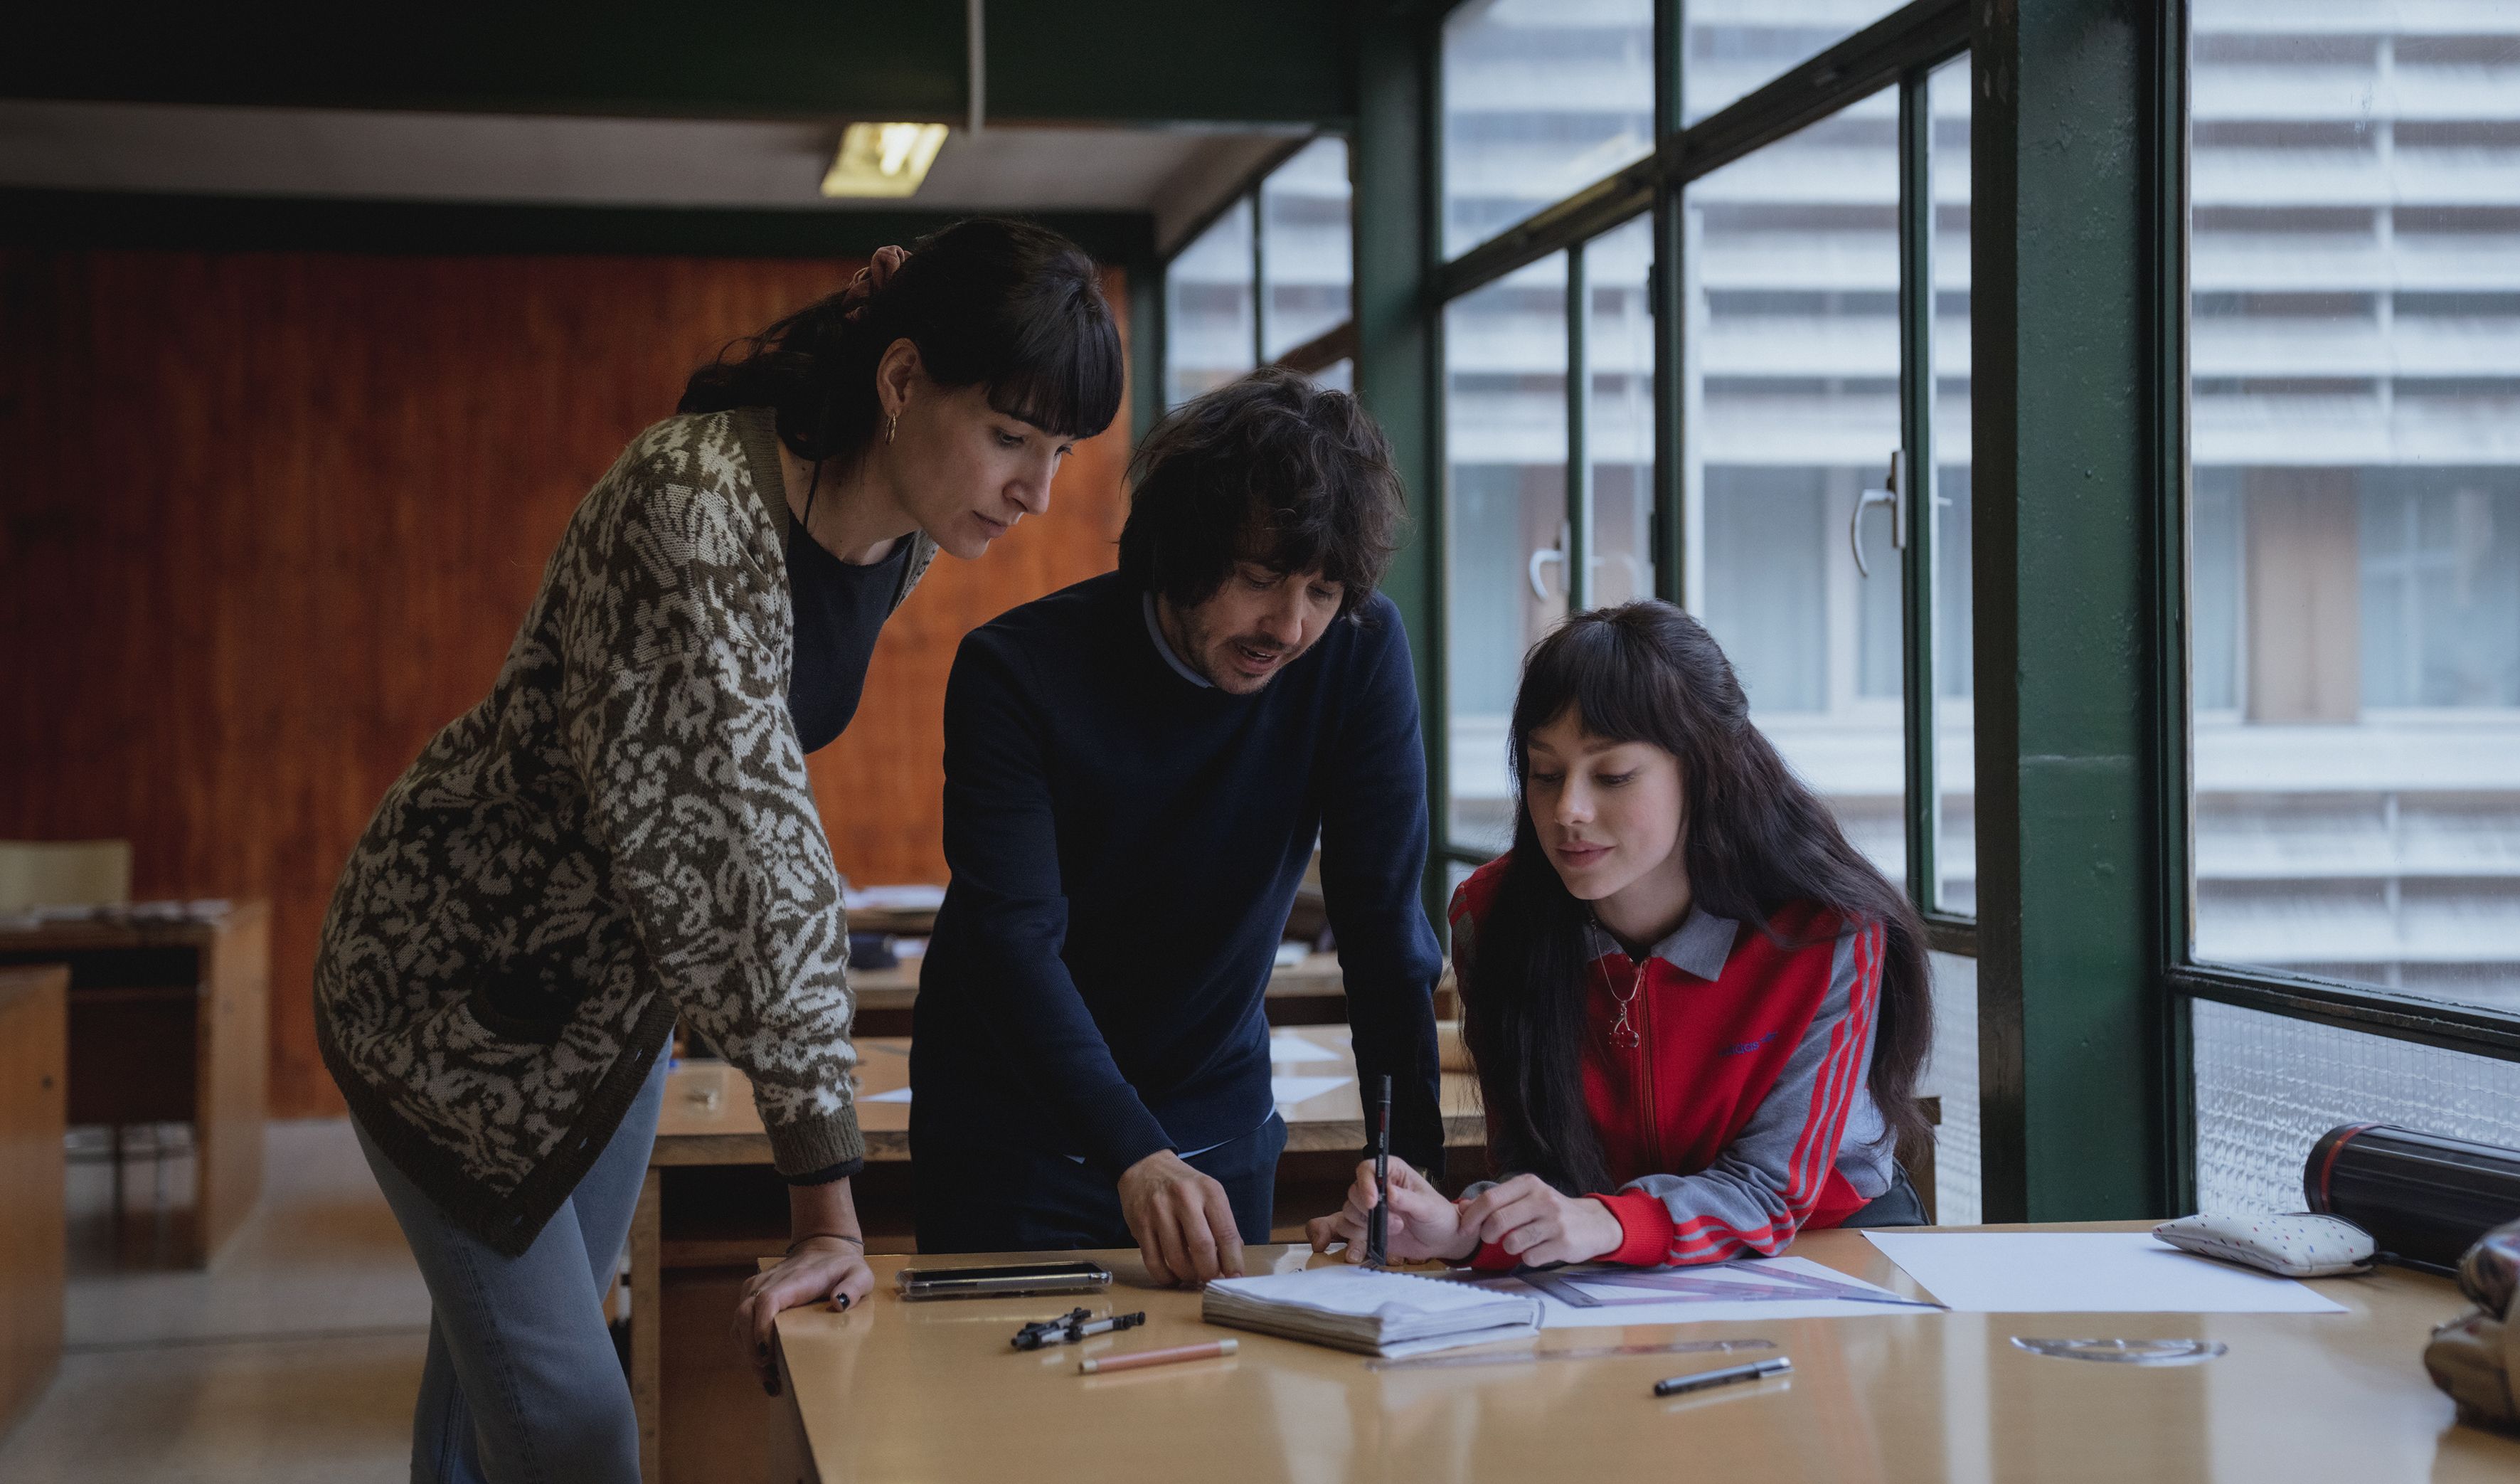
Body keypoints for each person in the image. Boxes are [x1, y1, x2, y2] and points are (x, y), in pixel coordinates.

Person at [314, 217, 1121, 1483]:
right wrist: (823, 1203)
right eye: (1011, 437)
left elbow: (749, 817)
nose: (1038, 493)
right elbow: (747, 840)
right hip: (448, 991)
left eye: (1062, 451)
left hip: (608, 1003)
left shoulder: (897, 530)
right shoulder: (691, 507)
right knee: (573, 1426)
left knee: (494, 1403)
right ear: (900, 382)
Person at [909, 366, 1445, 1285]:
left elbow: (1382, 927)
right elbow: (1014, 940)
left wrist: (1412, 1174)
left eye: (1321, 589)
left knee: (1213, 1417)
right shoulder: (1018, 670)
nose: (1288, 625)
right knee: (1003, 1419)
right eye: (1257, 579)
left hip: (1215, 1122)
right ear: (1179, 552)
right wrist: (1131, 1153)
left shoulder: (1354, 650)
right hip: (1013, 1130)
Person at [1309, 600, 1932, 1270]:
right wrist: (1460, 1226)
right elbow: (1540, 1170)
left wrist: (1605, 1222)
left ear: (1704, 770)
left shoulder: (1823, 930)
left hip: (1829, 1248)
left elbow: (1770, 1190)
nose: (1567, 810)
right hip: (1620, 1262)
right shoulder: (1493, 919)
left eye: (1612, 776)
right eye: (1544, 774)